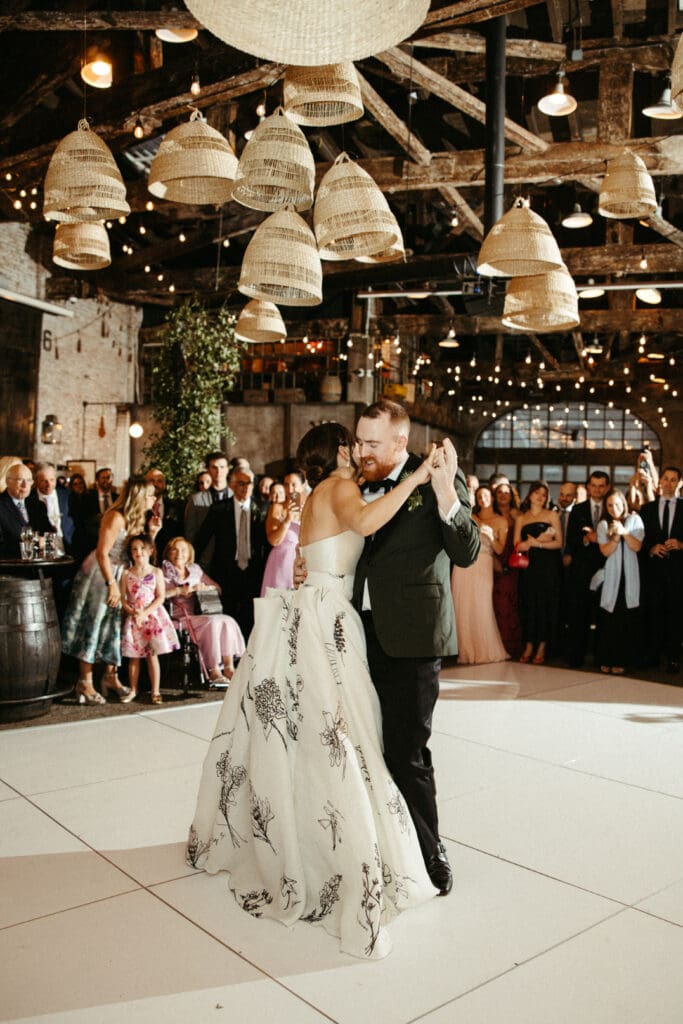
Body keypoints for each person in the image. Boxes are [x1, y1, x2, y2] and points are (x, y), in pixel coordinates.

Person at [188, 422, 438, 959]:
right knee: (343, 734)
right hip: (328, 618)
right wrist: (416, 478)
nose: (361, 451)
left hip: (314, 609)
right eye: (355, 443)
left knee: (317, 734)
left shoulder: (321, 492)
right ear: (341, 450)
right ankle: (338, 851)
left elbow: (325, 550)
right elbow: (369, 521)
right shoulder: (342, 487)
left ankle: (299, 838)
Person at [61, 477, 158, 705]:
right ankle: (85, 681)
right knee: (92, 624)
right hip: (100, 575)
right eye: (151, 494)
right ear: (140, 496)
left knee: (113, 627)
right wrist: (111, 584)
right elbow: (102, 552)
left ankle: (110, 677)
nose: (154, 499)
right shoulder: (114, 517)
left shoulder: (137, 519)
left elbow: (141, 552)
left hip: (119, 574)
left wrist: (152, 533)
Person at [194, 466, 268, 638]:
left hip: (253, 572)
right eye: (241, 483)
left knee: (250, 620)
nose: (246, 487)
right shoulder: (219, 509)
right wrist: (193, 567)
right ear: (232, 485)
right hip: (226, 572)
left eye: (249, 483)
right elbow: (201, 539)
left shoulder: (262, 509)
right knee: (228, 618)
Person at [162, 536, 245, 684]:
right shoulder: (164, 573)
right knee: (212, 622)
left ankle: (229, 667)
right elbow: (159, 595)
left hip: (198, 615)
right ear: (168, 553)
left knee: (227, 620)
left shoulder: (195, 570)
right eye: (174, 549)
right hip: (178, 619)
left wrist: (203, 588)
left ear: (189, 554)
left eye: (183, 550)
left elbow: (218, 589)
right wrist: (179, 590)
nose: (179, 553)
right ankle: (214, 670)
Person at [451, 484, 509, 665]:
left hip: (484, 563)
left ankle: (485, 649)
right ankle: (465, 650)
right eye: (479, 495)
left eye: (486, 495)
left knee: (482, 606)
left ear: (492, 497)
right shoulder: (470, 516)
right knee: (462, 606)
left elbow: (500, 550)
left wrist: (491, 536)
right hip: (464, 566)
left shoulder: (500, 521)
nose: (483, 499)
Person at [120, 535, 179, 704]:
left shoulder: (156, 572)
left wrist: (145, 612)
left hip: (151, 616)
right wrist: (132, 611)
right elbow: (124, 598)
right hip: (134, 617)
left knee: (152, 654)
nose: (138, 552)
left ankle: (155, 691)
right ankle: (133, 689)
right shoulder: (126, 573)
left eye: (142, 548)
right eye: (134, 549)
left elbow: (160, 597)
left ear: (150, 550)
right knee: (134, 656)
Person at [563, 471, 610, 667]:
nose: (597, 489)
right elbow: (571, 539)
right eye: (594, 485)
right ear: (588, 487)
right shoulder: (578, 509)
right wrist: (585, 539)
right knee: (579, 614)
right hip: (582, 570)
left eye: (601, 486)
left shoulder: (612, 508)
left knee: (603, 615)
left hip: (606, 568)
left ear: (607, 487)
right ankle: (576, 658)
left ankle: (602, 658)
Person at [595, 489, 644, 675]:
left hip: (629, 576)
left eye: (617, 504)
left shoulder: (635, 520)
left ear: (624, 504)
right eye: (609, 505)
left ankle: (621, 660)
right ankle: (605, 658)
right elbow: (605, 551)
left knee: (625, 618)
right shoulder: (602, 525)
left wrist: (623, 532)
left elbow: (637, 546)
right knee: (608, 618)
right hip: (611, 577)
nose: (614, 508)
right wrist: (615, 536)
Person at [639, 466, 683, 673]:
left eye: (673, 480)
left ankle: (674, 658)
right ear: (660, 482)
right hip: (654, 571)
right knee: (653, 612)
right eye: (665, 479)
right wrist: (651, 548)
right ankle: (652, 654)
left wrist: (682, 544)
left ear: (679, 484)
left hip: (678, 572)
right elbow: (641, 540)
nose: (668, 483)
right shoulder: (647, 509)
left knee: (676, 614)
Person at [514, 481, 562, 665]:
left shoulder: (552, 514)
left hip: (548, 565)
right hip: (528, 566)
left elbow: (559, 543)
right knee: (528, 604)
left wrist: (539, 544)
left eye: (544, 494)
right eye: (536, 493)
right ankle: (528, 645)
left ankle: (542, 646)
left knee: (544, 605)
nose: (540, 497)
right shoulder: (521, 517)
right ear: (530, 495)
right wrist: (528, 544)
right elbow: (517, 544)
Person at [491, 477, 523, 659]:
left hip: (514, 563)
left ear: (512, 495)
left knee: (511, 603)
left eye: (506, 493)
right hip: (495, 561)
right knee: (497, 604)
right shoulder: (491, 514)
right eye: (499, 493)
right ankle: (498, 644)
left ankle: (512, 646)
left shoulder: (516, 515)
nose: (503, 496)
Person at [260, 469, 306, 595]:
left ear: (302, 486)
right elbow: (274, 541)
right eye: (286, 485)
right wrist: (287, 520)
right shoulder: (277, 507)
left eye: (293, 485)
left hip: (303, 563)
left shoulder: (310, 507)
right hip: (281, 563)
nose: (290, 489)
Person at [0, 461, 53, 558]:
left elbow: (49, 536)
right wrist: (34, 544)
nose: (25, 485)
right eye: (20, 480)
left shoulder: (38, 505)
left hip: (39, 568)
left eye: (28, 480)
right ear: (8, 481)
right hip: (10, 569)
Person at [627, 448, 658, 514]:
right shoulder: (634, 480)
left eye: (645, 463)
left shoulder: (655, 487)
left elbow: (653, 507)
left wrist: (650, 462)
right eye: (642, 463)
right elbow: (632, 504)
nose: (644, 465)